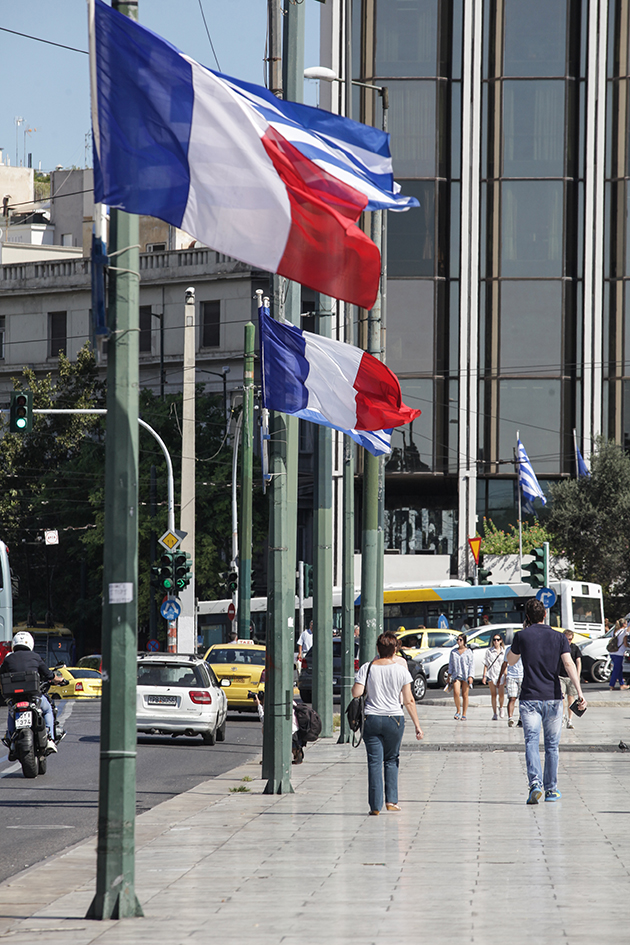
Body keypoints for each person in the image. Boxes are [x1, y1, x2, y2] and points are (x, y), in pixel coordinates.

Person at [507, 598, 586, 804]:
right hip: (553, 697)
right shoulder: (559, 637)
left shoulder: (521, 636)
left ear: (527, 618)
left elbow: (511, 660)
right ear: (545, 615)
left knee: (531, 742)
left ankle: (535, 784)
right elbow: (568, 664)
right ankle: (551, 789)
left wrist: (523, 634)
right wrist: (579, 692)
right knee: (552, 746)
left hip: (529, 698)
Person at [352, 631, 423, 815]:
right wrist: (417, 725)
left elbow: (356, 693)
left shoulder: (367, 668)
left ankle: (375, 807)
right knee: (391, 759)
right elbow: (409, 701)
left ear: (377, 648)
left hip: (371, 718)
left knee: (374, 762)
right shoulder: (401, 670)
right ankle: (391, 801)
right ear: (394, 650)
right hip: (394, 719)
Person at [0, 631, 63, 753]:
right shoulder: (35, 657)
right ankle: (50, 738)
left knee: (11, 711)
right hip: (33, 696)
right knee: (48, 709)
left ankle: (11, 737)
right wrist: (59, 679)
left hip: (15, 698)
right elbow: (49, 675)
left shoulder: (8, 659)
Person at [558, 629, 583, 727]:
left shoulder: (574, 648)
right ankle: (563, 716)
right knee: (562, 696)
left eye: (570, 639)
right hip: (560, 675)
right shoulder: (559, 647)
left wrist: (577, 675)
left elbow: (578, 662)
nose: (568, 641)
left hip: (571, 677)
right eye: (566, 639)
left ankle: (570, 719)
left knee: (571, 698)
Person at [447, 633, 474, 721]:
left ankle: (464, 713)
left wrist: (471, 676)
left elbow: (471, 665)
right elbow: (450, 664)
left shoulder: (469, 652)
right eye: (457, 640)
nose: (458, 641)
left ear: (464, 641)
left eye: (460, 640)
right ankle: (458, 710)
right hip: (456, 674)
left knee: (465, 695)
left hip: (465, 675)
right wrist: (449, 675)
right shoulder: (453, 652)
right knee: (456, 692)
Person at [482, 633, 506, 720]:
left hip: (500, 674)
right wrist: (484, 676)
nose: (496, 641)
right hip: (491, 674)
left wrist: (506, 675)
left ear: (501, 641)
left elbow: (505, 664)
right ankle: (494, 713)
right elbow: (486, 664)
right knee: (493, 695)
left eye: (498, 639)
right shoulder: (489, 651)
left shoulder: (504, 651)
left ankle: (501, 707)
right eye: (494, 640)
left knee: (501, 694)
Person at [499, 644, 523, 727]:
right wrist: (500, 677)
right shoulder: (509, 649)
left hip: (522, 676)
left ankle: (521, 719)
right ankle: (510, 718)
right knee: (512, 697)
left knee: (522, 699)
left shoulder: (525, 648)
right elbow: (505, 663)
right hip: (511, 675)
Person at [608, 618, 629, 692]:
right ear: (623, 624)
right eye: (626, 623)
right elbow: (625, 644)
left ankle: (622, 684)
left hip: (612, 653)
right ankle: (611, 685)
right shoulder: (623, 632)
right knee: (616, 670)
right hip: (619, 653)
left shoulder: (615, 631)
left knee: (619, 669)